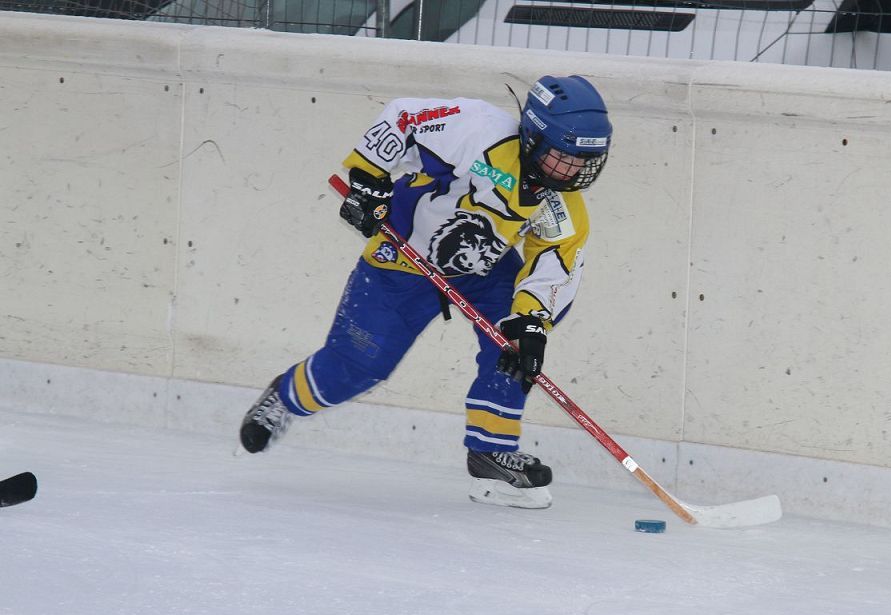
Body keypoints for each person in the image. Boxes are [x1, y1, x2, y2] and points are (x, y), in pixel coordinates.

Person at [238, 75, 612, 509]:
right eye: (562, 156)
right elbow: (405, 117)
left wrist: (531, 322)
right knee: (358, 366)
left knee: (515, 345)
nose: (572, 171)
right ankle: (285, 398)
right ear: (533, 137)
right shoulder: (480, 132)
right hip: (402, 255)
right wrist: (368, 180)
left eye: (584, 161)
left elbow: (555, 264)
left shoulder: (562, 205)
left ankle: (491, 451)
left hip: (481, 266)